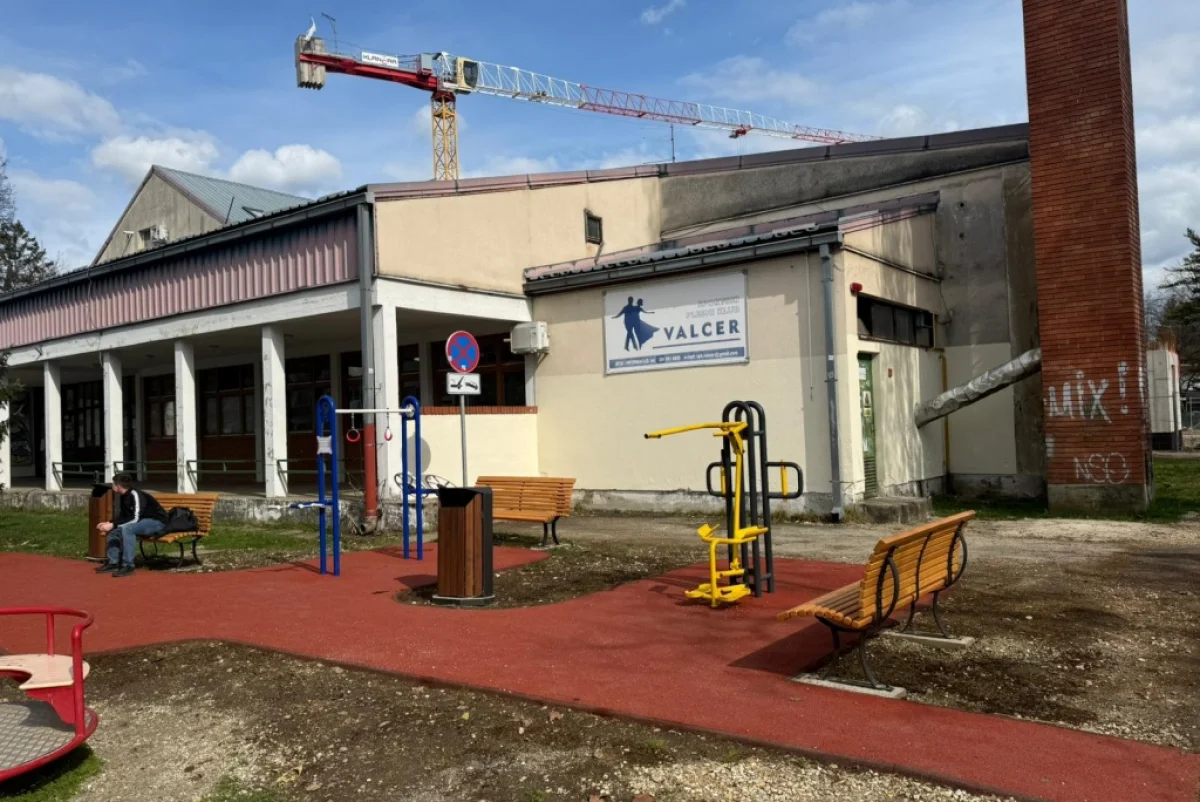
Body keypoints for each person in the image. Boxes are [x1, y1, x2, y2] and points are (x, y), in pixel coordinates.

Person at [94, 474, 169, 578]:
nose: (112, 486)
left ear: (118, 486)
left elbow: (135, 518)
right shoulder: (123, 495)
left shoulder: (135, 494)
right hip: (141, 522)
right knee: (114, 533)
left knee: (128, 529)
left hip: (157, 522)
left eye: (113, 484)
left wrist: (113, 525)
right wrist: (109, 522)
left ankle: (128, 565)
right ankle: (113, 563)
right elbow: (125, 516)